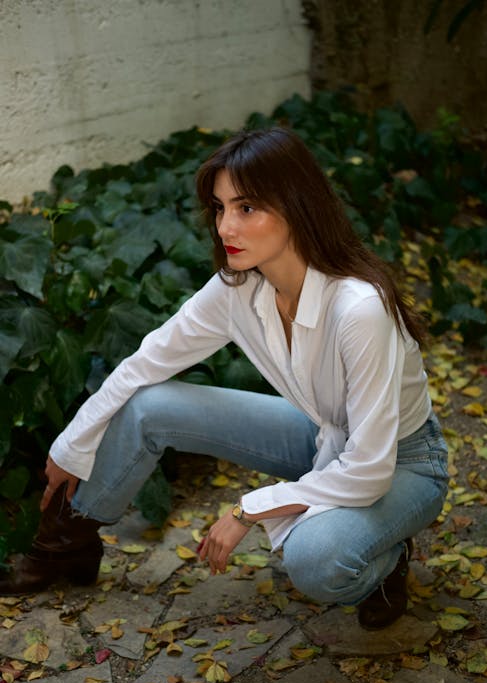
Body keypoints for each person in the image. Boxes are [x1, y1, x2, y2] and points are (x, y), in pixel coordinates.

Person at [0, 127, 448, 629]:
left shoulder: (358, 308)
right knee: (150, 404)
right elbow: (147, 362)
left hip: (402, 461)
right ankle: (66, 546)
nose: (225, 227)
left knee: (315, 560)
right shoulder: (238, 288)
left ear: (298, 205)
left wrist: (246, 511)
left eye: (246, 208)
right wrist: (69, 446)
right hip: (323, 435)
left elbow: (369, 467)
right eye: (219, 208)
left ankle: (385, 561)